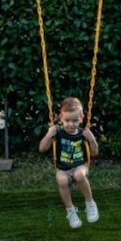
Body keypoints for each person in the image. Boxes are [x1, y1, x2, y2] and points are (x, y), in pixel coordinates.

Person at [38, 97, 100, 229]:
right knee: (61, 180)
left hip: (80, 166)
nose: (70, 124)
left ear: (82, 118)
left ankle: (90, 203)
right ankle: (70, 210)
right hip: (62, 168)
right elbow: (42, 149)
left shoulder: (83, 133)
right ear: (60, 118)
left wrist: (92, 139)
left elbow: (94, 153)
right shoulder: (58, 133)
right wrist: (49, 135)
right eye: (67, 120)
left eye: (75, 120)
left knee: (79, 175)